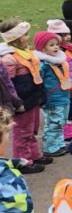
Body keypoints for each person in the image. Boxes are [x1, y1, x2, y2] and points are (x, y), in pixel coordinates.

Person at [0, 21, 46, 172]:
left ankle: (35, 155)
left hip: (33, 97)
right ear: (16, 38)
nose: (28, 37)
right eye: (25, 35)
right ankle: (24, 160)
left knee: (33, 128)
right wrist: (16, 102)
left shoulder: (25, 53)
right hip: (22, 100)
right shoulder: (9, 59)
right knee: (22, 132)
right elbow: (8, 84)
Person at [35, 31, 72, 158]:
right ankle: (50, 147)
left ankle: (59, 143)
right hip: (52, 98)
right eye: (51, 45)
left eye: (56, 44)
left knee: (61, 121)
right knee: (53, 123)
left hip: (63, 96)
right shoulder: (43, 64)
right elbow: (38, 81)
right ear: (42, 48)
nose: (56, 47)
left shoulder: (59, 60)